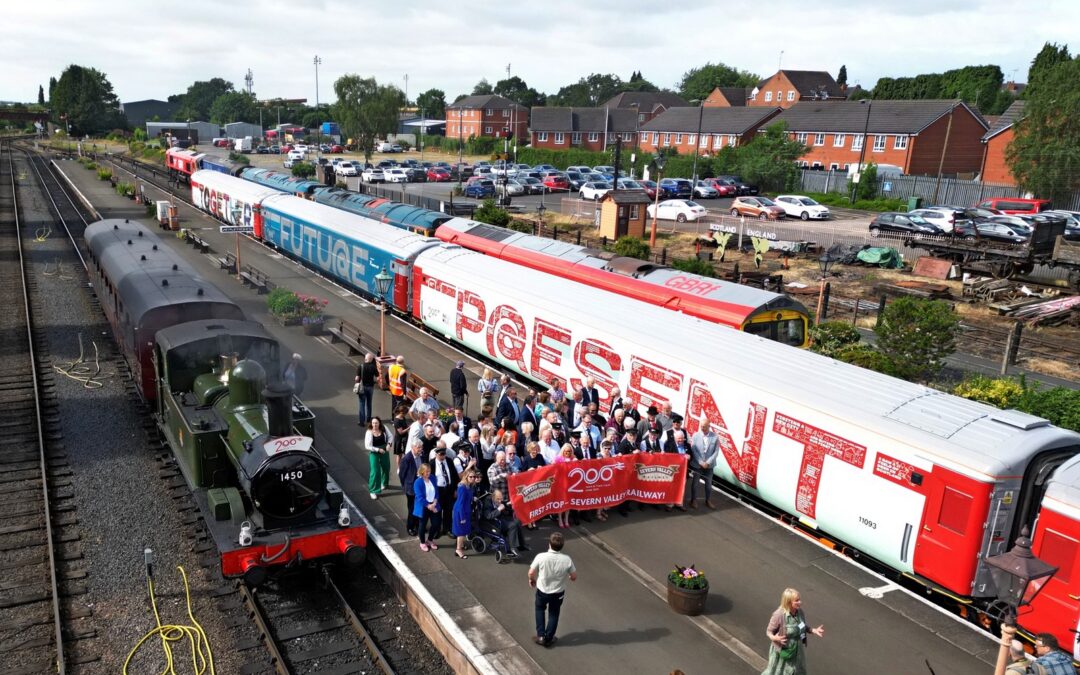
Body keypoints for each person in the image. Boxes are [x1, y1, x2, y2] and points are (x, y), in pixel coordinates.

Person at [528, 532, 577, 648]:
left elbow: (531, 572)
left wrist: (532, 580)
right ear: (562, 546)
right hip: (558, 592)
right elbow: (574, 576)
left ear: (549, 544)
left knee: (539, 610)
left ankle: (540, 636)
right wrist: (570, 576)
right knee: (554, 614)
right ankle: (549, 638)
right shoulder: (567, 559)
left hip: (542, 590)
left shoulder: (541, 556)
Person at [761, 588, 824, 675]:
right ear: (788, 602)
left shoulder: (799, 612)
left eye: (799, 600)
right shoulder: (779, 615)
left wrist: (813, 630)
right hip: (784, 651)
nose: (800, 602)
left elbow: (801, 626)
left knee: (797, 672)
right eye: (796, 601)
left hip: (797, 651)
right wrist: (775, 638)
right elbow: (769, 632)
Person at [483, 488, 527, 558]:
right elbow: (488, 516)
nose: (500, 501)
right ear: (493, 497)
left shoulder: (498, 500)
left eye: (501, 498)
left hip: (500, 519)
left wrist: (508, 504)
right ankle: (513, 548)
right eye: (498, 499)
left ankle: (521, 545)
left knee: (518, 521)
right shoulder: (487, 502)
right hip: (493, 523)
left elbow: (503, 505)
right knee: (512, 525)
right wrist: (498, 509)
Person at [689, 418, 720, 510]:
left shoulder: (715, 437)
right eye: (701, 426)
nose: (702, 428)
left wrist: (708, 462)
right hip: (697, 464)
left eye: (704, 426)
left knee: (708, 484)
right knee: (695, 483)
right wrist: (701, 462)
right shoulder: (695, 435)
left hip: (709, 466)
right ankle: (693, 500)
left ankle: (708, 500)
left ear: (709, 426)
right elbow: (694, 450)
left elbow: (716, 452)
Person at [430, 445, 460, 536]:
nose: (443, 456)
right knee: (437, 511)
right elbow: (429, 480)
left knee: (448, 510)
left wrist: (455, 489)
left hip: (449, 489)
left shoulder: (449, 461)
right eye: (441, 454)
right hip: (438, 491)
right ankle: (437, 530)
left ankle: (447, 529)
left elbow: (455, 476)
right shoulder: (432, 463)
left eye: (444, 454)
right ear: (436, 454)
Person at [398, 440, 424, 536]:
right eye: (418, 448)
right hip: (411, 488)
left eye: (421, 447)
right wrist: (405, 486)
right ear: (413, 447)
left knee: (419, 506)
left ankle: (418, 525)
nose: (420, 450)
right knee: (412, 508)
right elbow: (402, 475)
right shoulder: (406, 459)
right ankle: (410, 527)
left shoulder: (421, 455)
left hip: (420, 486)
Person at [412, 464, 441, 551]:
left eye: (429, 471)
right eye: (426, 471)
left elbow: (436, 491)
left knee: (436, 524)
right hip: (424, 506)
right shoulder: (418, 482)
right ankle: (422, 542)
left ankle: (430, 540)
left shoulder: (432, 477)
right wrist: (429, 506)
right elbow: (419, 497)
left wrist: (435, 502)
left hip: (433, 504)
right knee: (422, 525)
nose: (428, 473)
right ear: (422, 472)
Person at [452, 469, 480, 559]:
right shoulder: (462, 487)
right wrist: (462, 517)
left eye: (474, 477)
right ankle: (458, 549)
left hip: (466, 510)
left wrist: (473, 498)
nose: (473, 478)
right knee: (461, 532)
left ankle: (461, 545)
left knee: (463, 531)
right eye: (470, 477)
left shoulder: (469, 486)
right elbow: (460, 503)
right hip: (461, 512)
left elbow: (468, 497)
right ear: (466, 477)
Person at [365, 416, 391, 499]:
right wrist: (378, 450)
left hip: (384, 449)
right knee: (375, 471)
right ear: (371, 424)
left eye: (376, 423)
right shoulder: (369, 432)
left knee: (386, 467)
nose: (374, 424)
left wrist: (389, 444)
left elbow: (390, 437)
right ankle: (373, 490)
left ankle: (384, 483)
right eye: (373, 423)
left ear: (379, 423)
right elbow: (367, 446)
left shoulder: (384, 428)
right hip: (374, 452)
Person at [553, 444, 576, 529]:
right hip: (561, 484)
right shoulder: (558, 459)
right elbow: (553, 468)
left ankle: (566, 519)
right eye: (566, 451)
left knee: (568, 502)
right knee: (561, 502)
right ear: (563, 451)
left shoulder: (573, 458)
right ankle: (560, 519)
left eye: (569, 451)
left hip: (570, 484)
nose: (567, 453)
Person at [355, 353, 379, 426]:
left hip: (362, 387)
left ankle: (361, 422)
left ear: (365, 358)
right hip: (370, 387)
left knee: (362, 404)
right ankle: (368, 419)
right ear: (371, 360)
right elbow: (377, 376)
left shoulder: (360, 366)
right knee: (369, 403)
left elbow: (357, 378)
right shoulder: (373, 367)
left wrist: (357, 383)